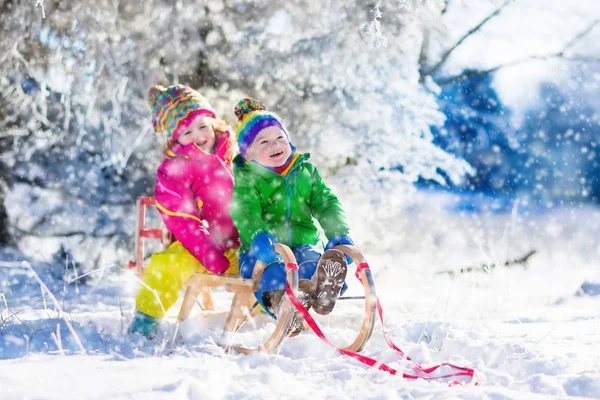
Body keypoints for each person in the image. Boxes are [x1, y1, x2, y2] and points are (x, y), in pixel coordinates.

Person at [230, 98, 353, 336]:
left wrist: (339, 232)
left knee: (310, 262)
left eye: (280, 138)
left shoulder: (305, 172)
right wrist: (257, 235)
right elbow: (244, 209)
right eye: (264, 141)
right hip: (262, 250)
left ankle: (321, 288)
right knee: (273, 272)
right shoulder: (248, 179)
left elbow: (326, 202)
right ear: (249, 155)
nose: (275, 144)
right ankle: (283, 304)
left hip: (302, 244)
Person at [128, 85, 240, 339]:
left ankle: (271, 307)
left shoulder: (234, 158)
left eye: (202, 126)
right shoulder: (173, 170)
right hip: (197, 247)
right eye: (187, 131)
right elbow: (182, 219)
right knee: (166, 265)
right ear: (174, 139)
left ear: (213, 122)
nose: (198, 135)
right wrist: (209, 252)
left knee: (268, 261)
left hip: (238, 244)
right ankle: (145, 321)